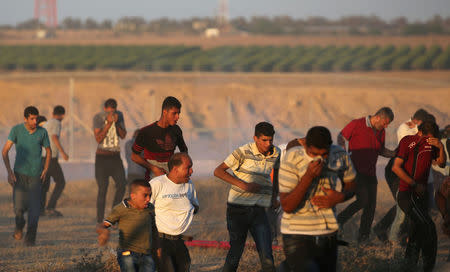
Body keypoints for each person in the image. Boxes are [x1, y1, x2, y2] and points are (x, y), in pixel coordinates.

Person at [279, 126, 356, 272]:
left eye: (324, 154)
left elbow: (352, 185)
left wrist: (341, 196)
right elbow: (287, 206)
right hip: (296, 231)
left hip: (327, 233)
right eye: (313, 154)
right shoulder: (292, 157)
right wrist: (308, 177)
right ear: (305, 146)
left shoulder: (339, 155)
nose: (319, 158)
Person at [214, 122, 280, 272]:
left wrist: (274, 197)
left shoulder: (276, 153)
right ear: (255, 138)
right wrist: (244, 185)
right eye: (264, 140)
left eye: (271, 140)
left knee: (267, 257)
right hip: (238, 210)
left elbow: (275, 175)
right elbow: (218, 171)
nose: (268, 144)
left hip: (259, 210)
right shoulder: (243, 152)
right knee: (235, 255)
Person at [392, 121, 446, 271]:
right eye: (428, 137)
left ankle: (408, 267)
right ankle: (428, 269)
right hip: (407, 195)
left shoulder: (432, 144)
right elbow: (395, 167)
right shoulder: (408, 142)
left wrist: (440, 147)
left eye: (433, 138)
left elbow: (441, 164)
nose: (430, 141)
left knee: (417, 234)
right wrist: (414, 184)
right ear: (420, 132)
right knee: (429, 228)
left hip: (421, 196)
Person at [336, 107, 396, 243]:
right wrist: (344, 154)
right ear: (378, 117)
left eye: (388, 124)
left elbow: (381, 150)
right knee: (363, 200)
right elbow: (341, 136)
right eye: (385, 122)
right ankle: (339, 221)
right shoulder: (357, 124)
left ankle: (363, 238)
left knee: (371, 206)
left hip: (371, 172)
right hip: (356, 171)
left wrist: (395, 153)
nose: (386, 126)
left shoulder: (382, 131)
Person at [373, 109, 429, 242]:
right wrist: (417, 129)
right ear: (417, 122)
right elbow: (410, 143)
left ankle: (385, 229)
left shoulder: (414, 128)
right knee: (403, 204)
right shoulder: (404, 128)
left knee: (404, 204)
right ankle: (392, 237)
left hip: (405, 171)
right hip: (396, 171)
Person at [2, 106, 51, 246]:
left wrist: (46, 169)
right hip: (19, 176)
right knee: (18, 209)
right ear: (25, 119)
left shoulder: (42, 132)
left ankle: (30, 240)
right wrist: (9, 172)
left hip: (36, 176)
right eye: (32, 119)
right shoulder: (16, 130)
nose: (35, 121)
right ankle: (19, 226)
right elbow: (5, 151)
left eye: (36, 118)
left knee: (34, 211)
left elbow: (49, 151)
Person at [96, 179, 159, 272]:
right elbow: (102, 225)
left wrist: (158, 249)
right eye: (145, 195)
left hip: (147, 255)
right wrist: (104, 232)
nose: (148, 199)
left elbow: (153, 229)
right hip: (127, 254)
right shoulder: (121, 209)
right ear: (133, 196)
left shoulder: (150, 208)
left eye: (150, 195)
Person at [150, 152, 199, 272]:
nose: (192, 171)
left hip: (179, 241)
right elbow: (144, 211)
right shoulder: (157, 184)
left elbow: (195, 207)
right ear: (176, 169)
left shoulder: (189, 185)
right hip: (160, 240)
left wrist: (185, 208)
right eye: (188, 168)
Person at [132, 96, 188, 180]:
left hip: (171, 176)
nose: (177, 117)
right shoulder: (146, 132)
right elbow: (134, 156)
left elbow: (184, 152)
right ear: (165, 112)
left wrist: (180, 169)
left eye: (178, 113)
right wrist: (154, 168)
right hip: (152, 178)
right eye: (174, 113)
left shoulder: (176, 130)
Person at [93, 98, 127, 223]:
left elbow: (123, 135)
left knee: (122, 184)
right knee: (103, 188)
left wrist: (116, 123)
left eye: (113, 111)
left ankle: (113, 215)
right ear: (105, 109)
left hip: (115, 157)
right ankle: (99, 220)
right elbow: (98, 138)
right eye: (109, 112)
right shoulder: (98, 117)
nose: (111, 114)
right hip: (102, 157)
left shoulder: (120, 116)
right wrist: (108, 123)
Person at [41, 105, 69, 217]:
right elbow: (54, 137)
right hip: (51, 158)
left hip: (42, 157)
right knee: (61, 182)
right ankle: (50, 207)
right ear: (62, 115)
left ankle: (40, 209)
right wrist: (63, 152)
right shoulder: (57, 123)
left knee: (44, 185)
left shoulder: (47, 123)